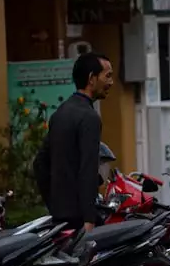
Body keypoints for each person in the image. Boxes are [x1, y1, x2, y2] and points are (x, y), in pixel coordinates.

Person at [34, 52, 114, 231]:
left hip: (60, 217)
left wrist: (54, 204)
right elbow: (88, 169)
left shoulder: (61, 113)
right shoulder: (89, 117)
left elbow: (39, 164)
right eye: (107, 76)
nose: (111, 82)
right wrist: (89, 218)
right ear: (91, 78)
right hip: (80, 220)